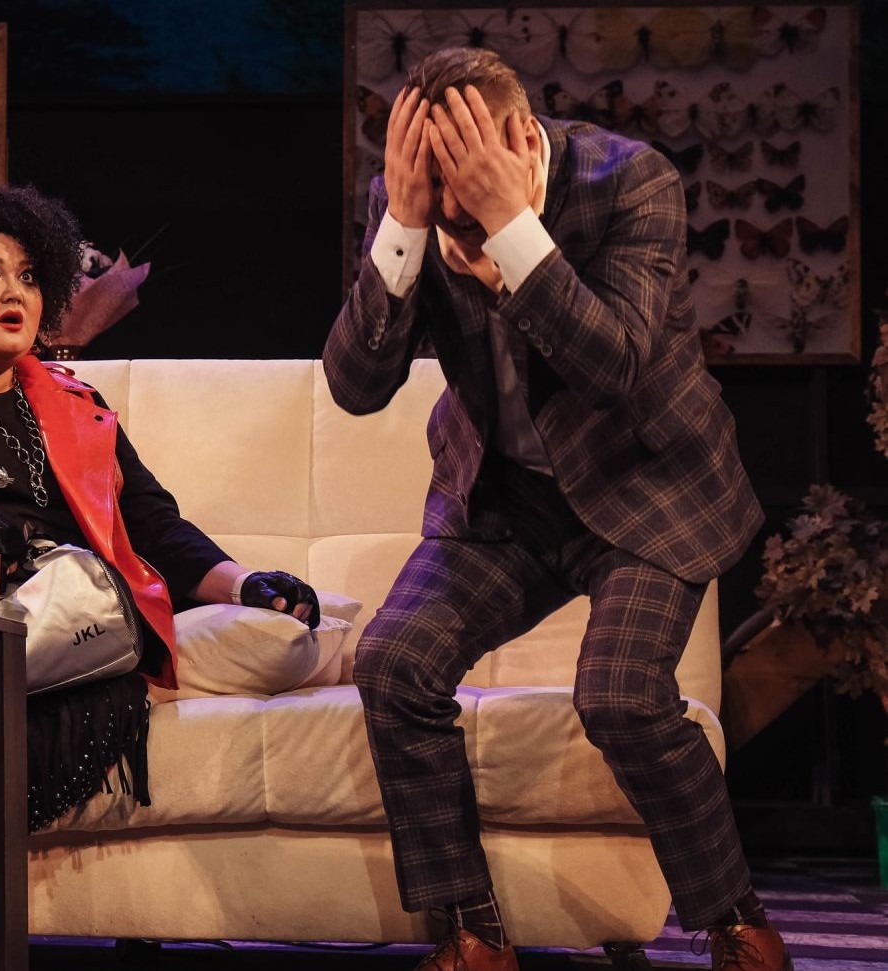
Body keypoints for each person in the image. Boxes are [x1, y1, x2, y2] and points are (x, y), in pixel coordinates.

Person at [325, 48, 783, 971]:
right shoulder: (408, 202)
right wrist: (405, 224)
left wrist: (510, 228)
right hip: (509, 499)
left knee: (620, 695)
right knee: (394, 663)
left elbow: (614, 366)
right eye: (431, 189)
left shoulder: (631, 183)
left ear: (519, 138)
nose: (452, 212)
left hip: (648, 484)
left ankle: (739, 922)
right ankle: (474, 934)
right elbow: (357, 387)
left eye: (466, 184)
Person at [0, 177, 322, 874]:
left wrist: (245, 583)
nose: (16, 292)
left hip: (52, 633)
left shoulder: (76, 404)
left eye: (30, 275)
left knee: (97, 693)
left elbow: (152, 524)